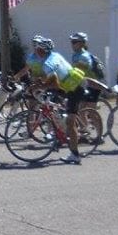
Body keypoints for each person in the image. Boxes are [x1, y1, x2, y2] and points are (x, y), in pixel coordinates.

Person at [32, 37, 87, 165]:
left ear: (43, 50)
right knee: (54, 105)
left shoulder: (47, 63)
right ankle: (59, 134)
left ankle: (75, 154)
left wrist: (39, 87)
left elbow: (54, 83)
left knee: (70, 122)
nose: (36, 51)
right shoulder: (55, 55)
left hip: (74, 89)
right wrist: (41, 83)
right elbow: (51, 78)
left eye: (38, 49)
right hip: (74, 84)